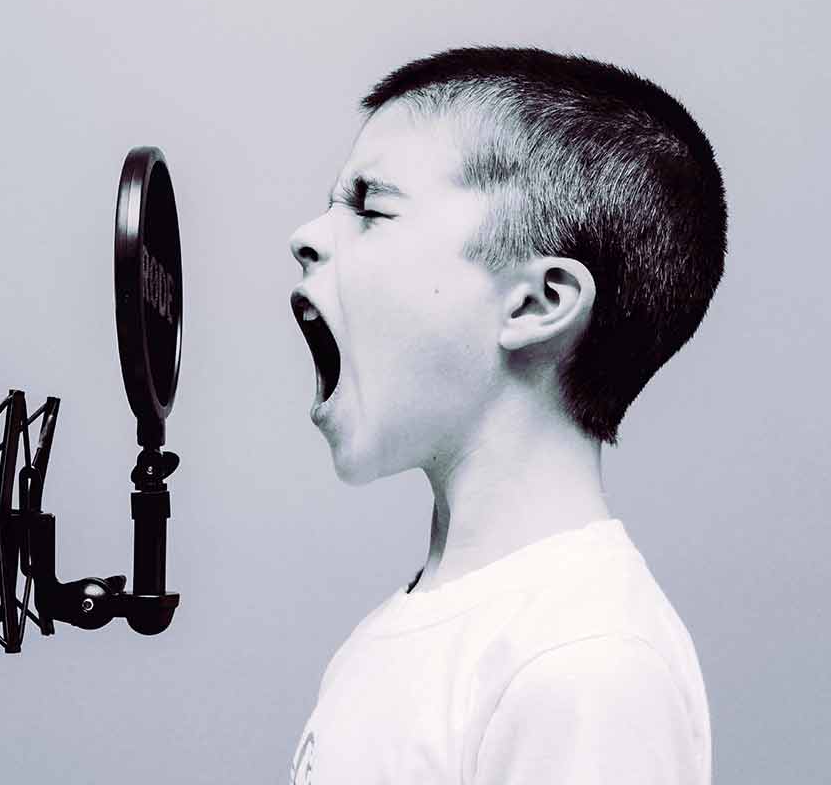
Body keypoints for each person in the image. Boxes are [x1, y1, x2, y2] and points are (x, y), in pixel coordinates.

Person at [287, 47, 724, 784]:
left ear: (537, 302)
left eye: (370, 207)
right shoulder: (406, 632)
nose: (308, 237)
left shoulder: (585, 664)